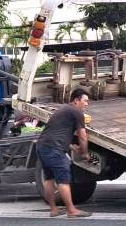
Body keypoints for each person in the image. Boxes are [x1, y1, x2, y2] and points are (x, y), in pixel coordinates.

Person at [36, 87, 93, 218]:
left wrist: (72, 148)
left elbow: (57, 133)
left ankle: (54, 209)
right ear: (76, 100)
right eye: (85, 101)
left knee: (49, 179)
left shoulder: (62, 110)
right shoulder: (76, 112)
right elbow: (83, 136)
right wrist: (84, 153)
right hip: (54, 150)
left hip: (42, 146)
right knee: (63, 180)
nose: (86, 104)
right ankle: (71, 210)